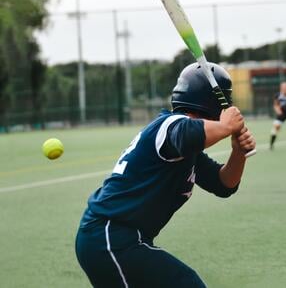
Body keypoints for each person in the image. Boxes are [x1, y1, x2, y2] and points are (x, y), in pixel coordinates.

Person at [75, 62, 256, 288]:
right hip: (111, 237)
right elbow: (188, 133)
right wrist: (225, 126)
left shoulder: (187, 152)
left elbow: (223, 184)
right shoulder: (171, 125)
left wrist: (238, 152)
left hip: (119, 240)